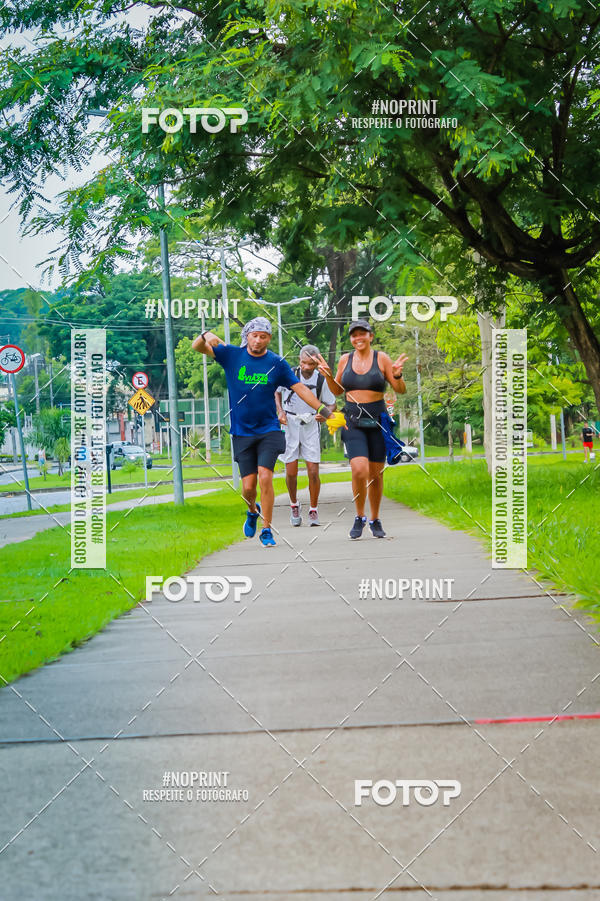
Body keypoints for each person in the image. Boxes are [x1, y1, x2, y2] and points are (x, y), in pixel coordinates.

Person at [192, 317, 334, 547]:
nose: (258, 340)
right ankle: (252, 510)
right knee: (248, 487)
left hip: (269, 429)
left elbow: (300, 389)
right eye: (254, 335)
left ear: (269, 338)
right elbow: (198, 347)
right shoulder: (232, 355)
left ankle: (267, 529)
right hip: (242, 431)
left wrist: (325, 412)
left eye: (263, 336)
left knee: (265, 477)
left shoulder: (277, 363)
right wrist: (206, 334)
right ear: (247, 336)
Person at [316, 319, 408, 539]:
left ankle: (375, 519)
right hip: (352, 421)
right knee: (359, 469)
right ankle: (359, 516)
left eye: (362, 334)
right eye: (354, 335)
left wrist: (396, 374)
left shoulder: (382, 359)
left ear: (370, 336)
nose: (358, 338)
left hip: (377, 421)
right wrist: (328, 375)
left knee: (375, 475)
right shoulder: (345, 360)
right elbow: (337, 391)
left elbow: (400, 390)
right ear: (351, 338)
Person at [275, 345, 336, 526]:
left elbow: (332, 404)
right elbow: (276, 392)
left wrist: (324, 415)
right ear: (299, 360)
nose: (306, 367)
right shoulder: (289, 373)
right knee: (291, 472)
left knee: (313, 471)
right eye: (303, 362)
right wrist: (280, 411)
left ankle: (314, 510)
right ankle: (294, 504)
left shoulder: (321, 380)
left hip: (310, 425)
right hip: (290, 424)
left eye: (310, 364)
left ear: (316, 363)